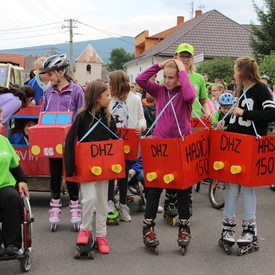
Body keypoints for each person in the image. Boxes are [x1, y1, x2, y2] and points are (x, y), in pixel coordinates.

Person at [136, 59, 196, 252]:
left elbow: (189, 94)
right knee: (154, 187)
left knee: (183, 189)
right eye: (165, 77)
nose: (167, 81)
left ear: (179, 77)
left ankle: (184, 228)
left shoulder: (186, 91)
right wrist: (160, 66)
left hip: (181, 145)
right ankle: (148, 228)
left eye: (171, 78)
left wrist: (183, 71)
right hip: (160, 146)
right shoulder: (160, 90)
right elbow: (140, 79)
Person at [218, 56, 275, 255]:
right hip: (237, 147)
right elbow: (238, 121)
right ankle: (228, 226)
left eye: (235, 70)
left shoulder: (260, 89)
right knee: (232, 188)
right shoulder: (240, 92)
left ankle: (250, 230)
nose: (233, 74)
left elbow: (271, 114)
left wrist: (245, 113)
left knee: (248, 189)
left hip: (251, 147)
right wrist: (225, 128)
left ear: (242, 72)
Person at [64, 81, 118, 254]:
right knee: (88, 199)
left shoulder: (109, 117)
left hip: (104, 168)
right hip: (87, 169)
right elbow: (69, 141)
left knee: (103, 202)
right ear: (97, 98)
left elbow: (117, 141)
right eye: (107, 95)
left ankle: (101, 235)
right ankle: (85, 229)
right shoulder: (81, 117)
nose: (110, 98)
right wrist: (70, 166)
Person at [40, 54, 85, 229]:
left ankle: (74, 205)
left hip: (70, 140)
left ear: (61, 72)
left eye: (50, 75)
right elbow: (42, 116)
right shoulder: (48, 91)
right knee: (55, 172)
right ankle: (55, 205)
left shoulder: (77, 91)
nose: (48, 79)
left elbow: (81, 116)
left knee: (71, 173)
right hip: (52, 140)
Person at [107, 70, 146, 222]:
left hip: (128, 142)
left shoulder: (134, 99)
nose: (108, 86)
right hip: (111, 141)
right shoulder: (108, 98)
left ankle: (123, 204)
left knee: (123, 174)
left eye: (110, 83)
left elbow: (141, 118)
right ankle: (109, 202)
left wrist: (141, 127)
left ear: (117, 84)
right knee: (110, 173)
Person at [0, 106, 30, 256]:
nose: (1, 124)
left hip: (3, 185)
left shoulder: (4, 141)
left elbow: (15, 166)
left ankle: (12, 244)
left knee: (12, 198)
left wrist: (22, 181)